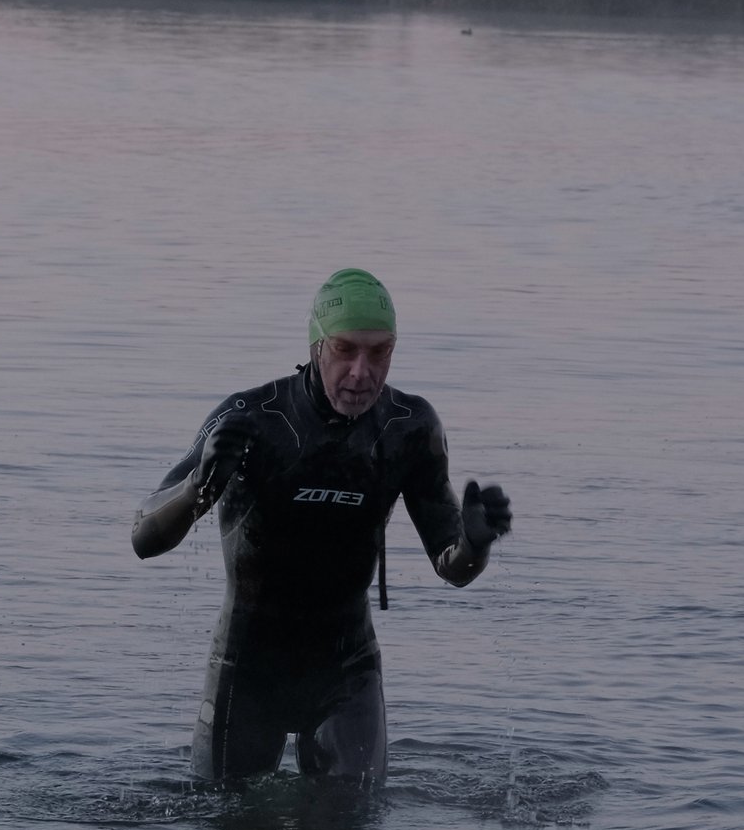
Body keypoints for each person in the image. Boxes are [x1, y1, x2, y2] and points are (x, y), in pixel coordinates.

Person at [131, 268, 512, 785]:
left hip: (346, 669)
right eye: (345, 349)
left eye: (379, 352)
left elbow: (454, 568)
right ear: (316, 346)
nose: (361, 372)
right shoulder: (251, 418)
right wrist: (200, 481)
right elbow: (144, 539)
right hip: (247, 669)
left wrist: (475, 543)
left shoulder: (408, 427)